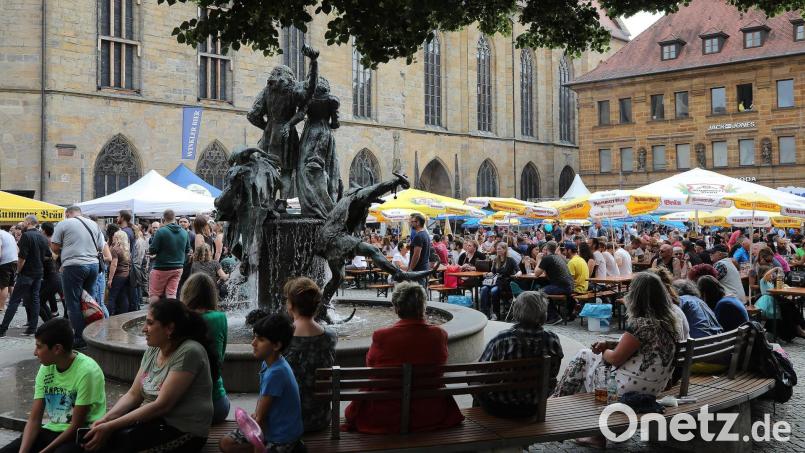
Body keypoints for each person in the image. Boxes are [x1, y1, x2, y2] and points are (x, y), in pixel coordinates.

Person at [553, 273, 681, 448]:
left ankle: (557, 408)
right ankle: (566, 408)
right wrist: (610, 344)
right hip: (654, 388)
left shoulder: (641, 325)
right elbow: (639, 347)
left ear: (636, 296)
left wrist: (603, 349)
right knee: (592, 360)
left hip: (627, 391)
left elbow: (615, 359)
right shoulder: (670, 323)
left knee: (584, 356)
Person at [83, 299, 215, 452]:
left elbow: (162, 405)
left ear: (169, 328)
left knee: (118, 443)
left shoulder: (189, 351)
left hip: (184, 431)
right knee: (103, 438)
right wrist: (105, 419)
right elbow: (133, 394)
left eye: (150, 323)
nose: (144, 329)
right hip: (154, 422)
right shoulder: (154, 349)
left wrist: (110, 426)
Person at [343, 282, 463, 433]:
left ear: (397, 308)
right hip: (430, 413)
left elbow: (372, 368)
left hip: (385, 415)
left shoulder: (382, 336)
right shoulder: (439, 335)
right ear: (423, 306)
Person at [0, 318, 106, 453]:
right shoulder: (46, 368)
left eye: (39, 347)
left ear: (57, 349)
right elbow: (34, 420)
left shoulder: (87, 371)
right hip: (52, 430)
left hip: (81, 435)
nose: (35, 352)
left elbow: (75, 426)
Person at [221, 312, 304, 453]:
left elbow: (259, 419)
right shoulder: (272, 363)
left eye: (260, 339)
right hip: (274, 429)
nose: (253, 343)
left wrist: (257, 448)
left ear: (276, 345)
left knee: (228, 445)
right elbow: (262, 411)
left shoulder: (276, 373)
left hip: (282, 438)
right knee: (226, 442)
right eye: (254, 337)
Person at [475, 291, 564, 418]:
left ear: (516, 312)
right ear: (544, 314)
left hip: (499, 406)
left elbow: (482, 372)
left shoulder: (502, 339)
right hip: (533, 407)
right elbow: (553, 373)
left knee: (472, 378)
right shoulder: (552, 339)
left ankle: (480, 424)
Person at [282, 277, 337, 433]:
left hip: (288, 420)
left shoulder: (283, 338)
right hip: (320, 418)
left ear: (291, 305)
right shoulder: (330, 337)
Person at [51, 206, 105, 348]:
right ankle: (92, 334)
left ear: (67, 213)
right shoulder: (93, 224)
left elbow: (55, 248)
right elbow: (101, 246)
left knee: (73, 303)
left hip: (73, 265)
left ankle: (80, 338)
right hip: (93, 265)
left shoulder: (64, 223)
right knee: (89, 302)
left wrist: (68, 246)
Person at [181, 273, 230, 425]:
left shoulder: (181, 320)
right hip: (219, 404)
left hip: (186, 407)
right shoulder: (220, 318)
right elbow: (220, 355)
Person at [0, 215, 51, 337]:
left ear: (28, 223)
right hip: (38, 272)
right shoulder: (42, 237)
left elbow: (22, 257)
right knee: (35, 300)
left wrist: (18, 270)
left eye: (24, 222)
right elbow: (48, 255)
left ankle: (2, 329)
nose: (22, 224)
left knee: (14, 301)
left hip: (27, 273)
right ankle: (32, 328)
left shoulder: (27, 236)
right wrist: (38, 260)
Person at [148, 210, 191, 302]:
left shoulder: (160, 231)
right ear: (175, 218)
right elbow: (188, 250)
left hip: (161, 267)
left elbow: (152, 250)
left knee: (155, 294)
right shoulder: (184, 232)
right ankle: (172, 315)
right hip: (178, 267)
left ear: (164, 219)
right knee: (171, 294)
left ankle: (153, 316)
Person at [479, 241, 517, 320]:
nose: (498, 251)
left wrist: (518, 274)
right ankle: (485, 313)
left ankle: (496, 313)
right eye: (497, 249)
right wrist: (487, 274)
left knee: (493, 291)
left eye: (499, 249)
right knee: (483, 289)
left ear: (505, 250)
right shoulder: (496, 260)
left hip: (504, 283)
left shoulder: (510, 260)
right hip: (494, 282)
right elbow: (493, 272)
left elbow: (518, 270)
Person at [105, 230, 131, 316]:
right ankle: (124, 314)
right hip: (125, 275)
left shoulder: (115, 249)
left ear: (117, 238)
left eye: (114, 236)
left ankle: (109, 315)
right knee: (123, 295)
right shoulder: (126, 249)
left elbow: (114, 265)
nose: (112, 238)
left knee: (112, 297)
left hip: (118, 275)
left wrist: (110, 279)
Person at [408, 214, 432, 285]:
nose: (410, 223)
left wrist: (410, 269)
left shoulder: (418, 236)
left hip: (418, 270)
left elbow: (416, 255)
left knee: (418, 292)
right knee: (422, 292)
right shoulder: (425, 234)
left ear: (417, 223)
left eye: (412, 221)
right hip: (424, 268)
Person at [0, 226, 18, 313]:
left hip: (5, 262)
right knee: (11, 284)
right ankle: (13, 306)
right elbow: (17, 249)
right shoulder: (7, 234)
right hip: (14, 260)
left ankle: (1, 306)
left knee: (3, 285)